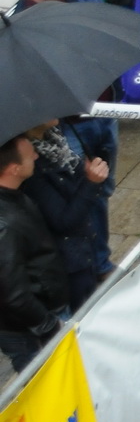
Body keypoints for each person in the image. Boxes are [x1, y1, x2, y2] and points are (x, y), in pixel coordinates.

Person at [20, 121, 111, 311]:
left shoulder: (54, 137)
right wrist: (91, 183)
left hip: (84, 248)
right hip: (67, 262)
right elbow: (63, 220)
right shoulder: (31, 166)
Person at [0, 135, 70, 372]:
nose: (37, 156)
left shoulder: (13, 196)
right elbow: (13, 294)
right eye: (31, 155)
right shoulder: (5, 225)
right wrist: (49, 325)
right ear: (14, 168)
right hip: (29, 329)